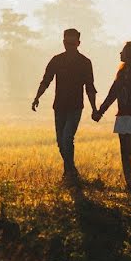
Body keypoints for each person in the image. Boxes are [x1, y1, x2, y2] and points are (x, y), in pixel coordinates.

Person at [32, 28, 97, 180]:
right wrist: (37, 97)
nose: (69, 46)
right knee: (61, 142)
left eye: (72, 43)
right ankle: (71, 171)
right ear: (63, 42)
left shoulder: (85, 63)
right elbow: (46, 80)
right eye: (67, 42)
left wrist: (94, 108)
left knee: (67, 138)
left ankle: (70, 172)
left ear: (78, 43)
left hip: (75, 107)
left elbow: (90, 87)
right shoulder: (56, 60)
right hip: (59, 106)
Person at [92, 41, 131, 194]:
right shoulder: (121, 73)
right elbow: (112, 94)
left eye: (123, 51)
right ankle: (129, 185)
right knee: (124, 151)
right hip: (123, 114)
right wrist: (101, 111)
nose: (120, 53)